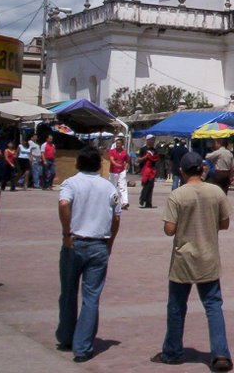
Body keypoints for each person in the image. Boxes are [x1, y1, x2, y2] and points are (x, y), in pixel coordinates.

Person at [151, 151, 233, 370]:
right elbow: (225, 224)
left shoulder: (178, 195)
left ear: (182, 171)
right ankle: (221, 353)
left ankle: (172, 351)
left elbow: (169, 229)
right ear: (203, 169)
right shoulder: (216, 192)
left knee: (177, 307)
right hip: (208, 256)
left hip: (183, 257)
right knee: (213, 306)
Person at [56, 145, 121, 363]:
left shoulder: (71, 183)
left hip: (74, 242)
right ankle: (82, 347)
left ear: (78, 163)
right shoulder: (109, 187)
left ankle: (66, 336)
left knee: (68, 291)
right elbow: (117, 217)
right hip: (99, 244)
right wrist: (110, 241)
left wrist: (67, 232)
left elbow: (64, 203)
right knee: (91, 297)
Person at [107, 136, 130, 210]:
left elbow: (127, 160)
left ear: (122, 144)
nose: (118, 144)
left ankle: (125, 202)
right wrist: (117, 164)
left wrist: (125, 167)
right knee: (113, 186)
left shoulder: (124, 152)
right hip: (113, 171)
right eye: (117, 143)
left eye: (119, 143)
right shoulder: (112, 151)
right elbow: (112, 160)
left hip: (121, 171)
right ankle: (113, 201)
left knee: (122, 186)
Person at [137, 135, 159, 209]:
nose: (152, 142)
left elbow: (156, 159)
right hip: (145, 169)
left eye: (153, 140)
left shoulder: (154, 150)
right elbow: (139, 159)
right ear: (147, 140)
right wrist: (146, 157)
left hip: (152, 169)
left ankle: (148, 202)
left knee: (151, 185)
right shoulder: (143, 149)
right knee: (146, 184)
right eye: (151, 140)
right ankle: (142, 199)